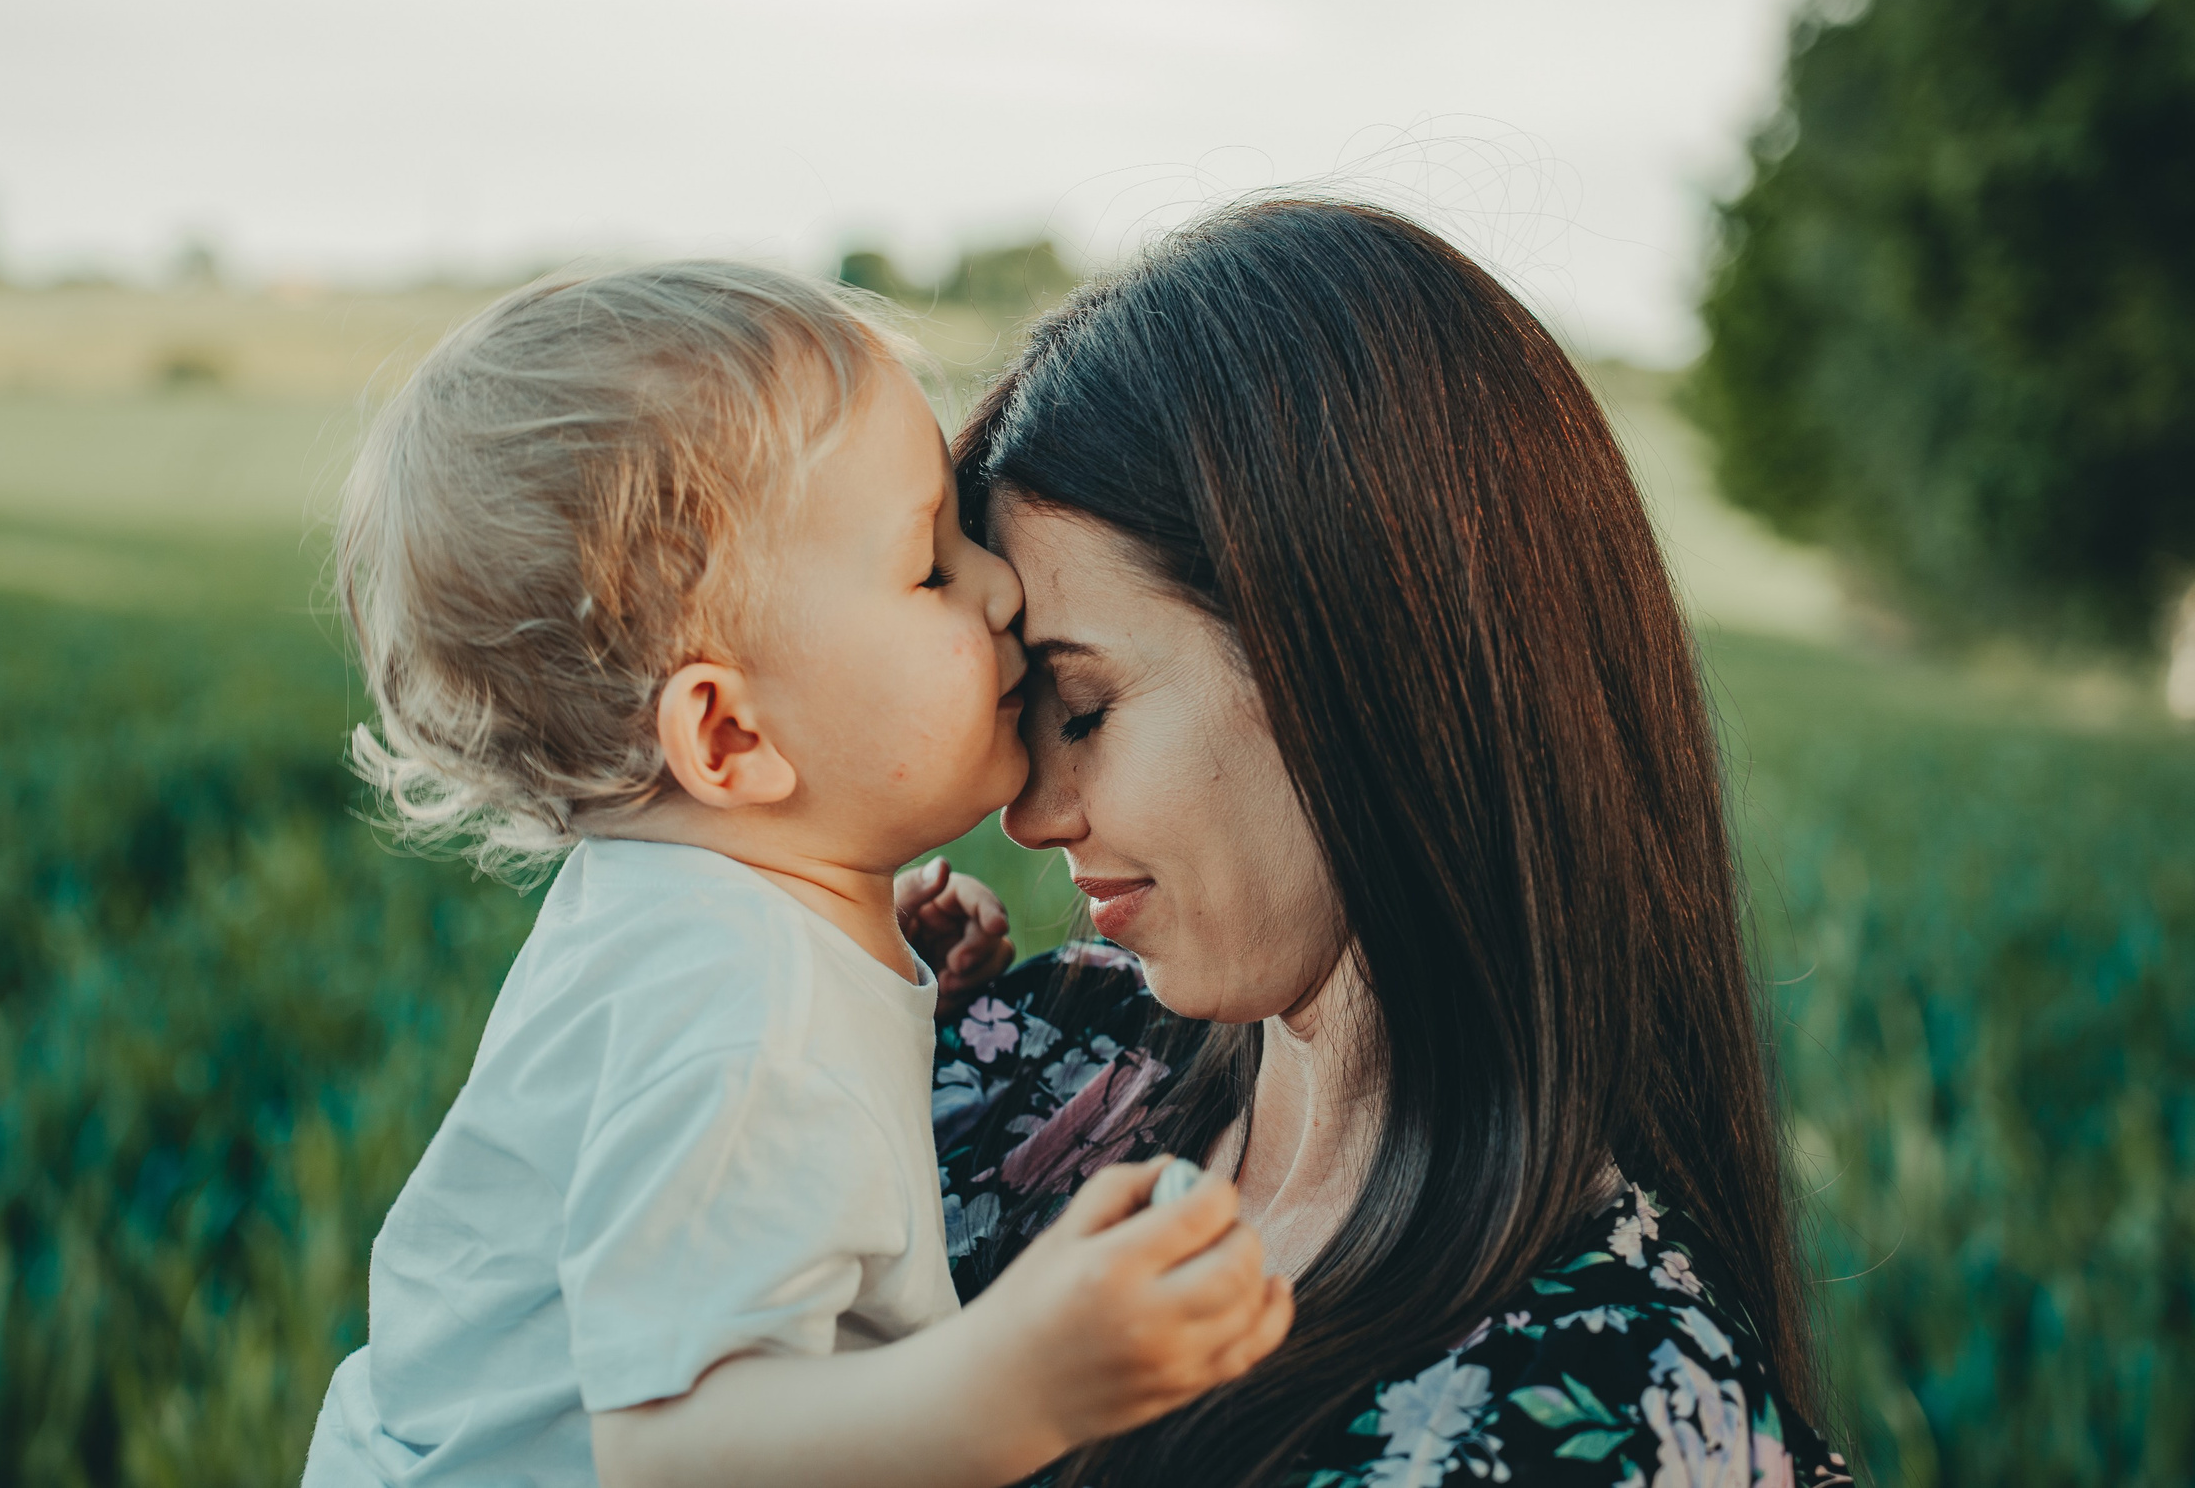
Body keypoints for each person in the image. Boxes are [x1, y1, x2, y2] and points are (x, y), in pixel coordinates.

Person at [302, 262, 1291, 1488]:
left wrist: (890, 972)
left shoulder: (712, 937)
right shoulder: (738, 1007)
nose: (999, 593)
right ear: (725, 738)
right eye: (931, 565)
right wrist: (1022, 1380)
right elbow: (679, 1453)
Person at [937, 200, 1853, 1487]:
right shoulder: (1011, 1076)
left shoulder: (1613, 1421)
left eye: (1082, 710)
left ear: (1351, 656)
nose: (1029, 813)